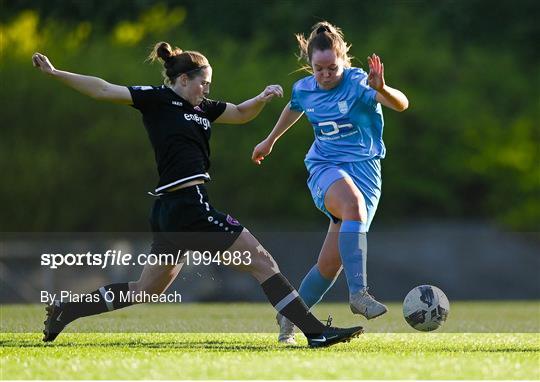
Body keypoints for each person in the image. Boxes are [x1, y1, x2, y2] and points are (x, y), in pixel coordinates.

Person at [32, 41, 364, 348]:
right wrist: (55, 72)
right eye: (203, 83)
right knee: (263, 262)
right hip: (187, 206)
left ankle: (66, 309)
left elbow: (239, 113)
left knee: (145, 290)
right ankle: (315, 332)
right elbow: (103, 89)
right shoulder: (158, 100)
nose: (207, 89)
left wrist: (261, 99)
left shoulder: (202, 107)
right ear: (184, 80)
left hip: (170, 211)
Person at [252, 21, 409, 344]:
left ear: (343, 60)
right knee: (351, 206)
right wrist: (270, 141)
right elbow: (294, 107)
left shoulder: (359, 83)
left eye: (331, 68)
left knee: (329, 264)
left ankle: (290, 317)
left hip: (366, 172)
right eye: (318, 69)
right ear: (309, 65)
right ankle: (359, 295)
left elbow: (402, 104)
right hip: (325, 167)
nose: (325, 75)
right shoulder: (305, 88)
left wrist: (381, 88)